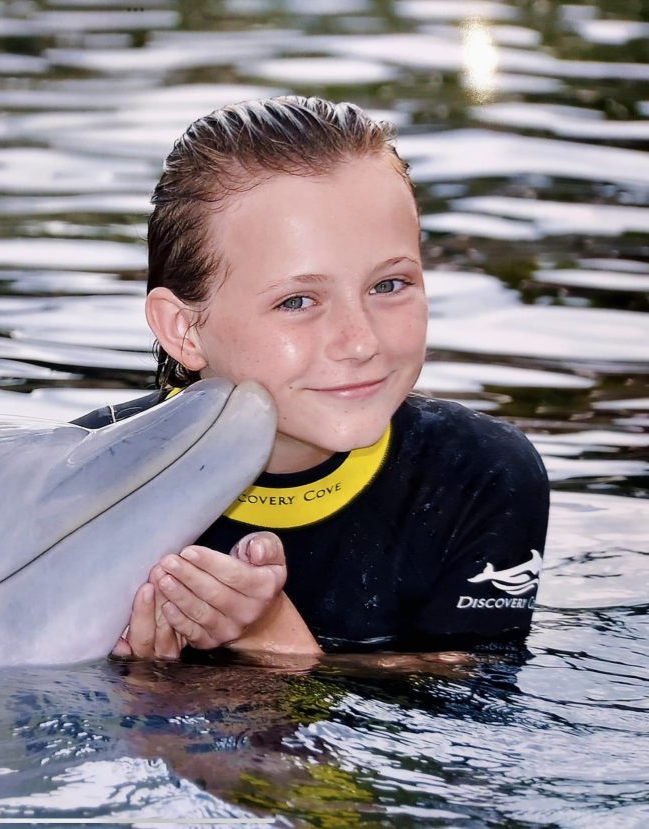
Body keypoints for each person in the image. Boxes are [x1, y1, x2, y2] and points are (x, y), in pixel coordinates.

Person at [74, 96, 549, 661]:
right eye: (298, 300)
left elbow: (468, 717)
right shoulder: (83, 486)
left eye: (389, 286)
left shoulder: (474, 476)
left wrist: (269, 640)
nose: (360, 342)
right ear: (183, 330)